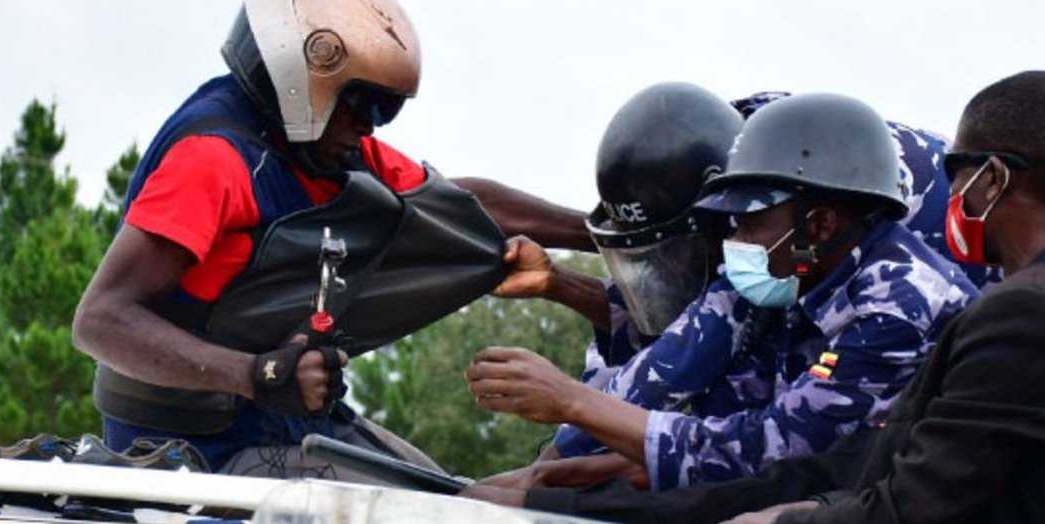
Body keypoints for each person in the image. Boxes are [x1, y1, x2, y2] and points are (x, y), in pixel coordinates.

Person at [467, 70, 1045, 524]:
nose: (732, 244)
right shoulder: (795, 261)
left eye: (743, 226)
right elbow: (720, 402)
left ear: (818, 225)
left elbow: (774, 451)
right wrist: (609, 466)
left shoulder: (899, 303)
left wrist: (570, 413)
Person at [72, 0, 585, 481]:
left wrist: (604, 232)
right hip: (188, 447)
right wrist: (259, 373)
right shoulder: (213, 159)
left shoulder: (328, 149)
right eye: (363, 102)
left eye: (386, 109)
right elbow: (100, 319)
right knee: (436, 514)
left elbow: (459, 205)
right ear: (301, 74)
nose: (368, 125)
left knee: (465, 499)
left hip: (282, 417)